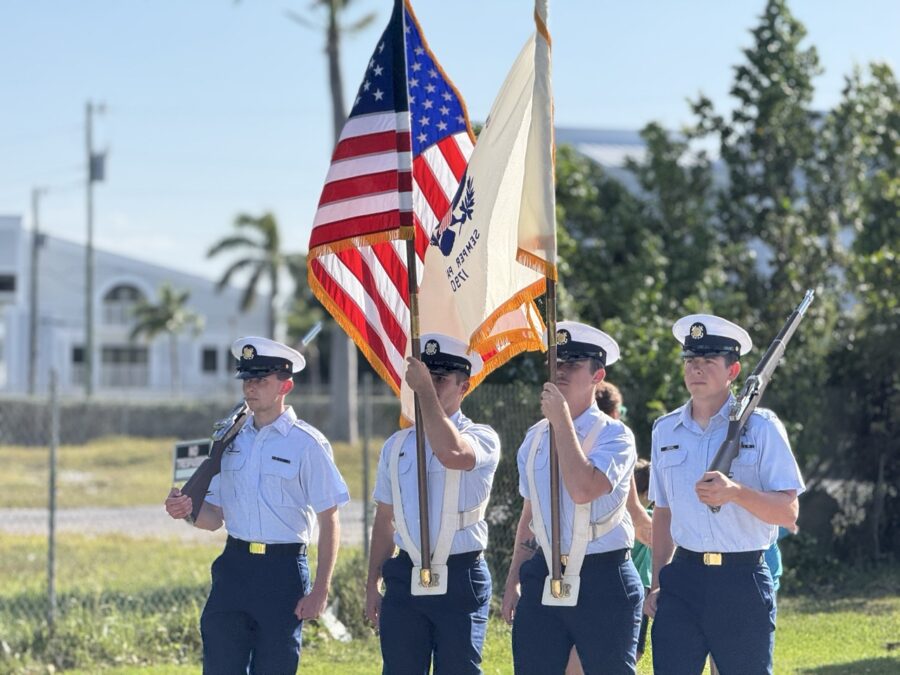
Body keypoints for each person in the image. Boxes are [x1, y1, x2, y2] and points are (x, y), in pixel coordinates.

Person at [165, 336, 349, 674]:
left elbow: (330, 519)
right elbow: (214, 517)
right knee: (220, 664)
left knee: (275, 666)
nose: (251, 388)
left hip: (282, 572)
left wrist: (321, 588)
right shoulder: (230, 441)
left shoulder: (307, 444)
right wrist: (187, 510)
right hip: (234, 567)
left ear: (285, 385)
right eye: (247, 379)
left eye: (261, 380)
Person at [645, 314, 805, 674]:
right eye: (690, 361)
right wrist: (658, 582)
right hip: (683, 577)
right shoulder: (665, 430)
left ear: (733, 371)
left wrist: (735, 493)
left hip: (741, 578)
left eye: (707, 361)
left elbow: (788, 512)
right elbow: (663, 512)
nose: (696, 369)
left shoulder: (761, 427)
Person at [503, 321, 643, 674]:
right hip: (545, 572)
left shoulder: (616, 435)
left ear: (598, 376)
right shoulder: (534, 438)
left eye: (574, 363)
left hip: (603, 577)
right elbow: (529, 516)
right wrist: (513, 580)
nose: (561, 370)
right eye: (557, 362)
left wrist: (562, 421)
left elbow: (583, 488)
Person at [365, 333, 500, 674]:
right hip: (405, 576)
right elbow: (385, 519)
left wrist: (424, 391)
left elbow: (453, 453)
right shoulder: (396, 445)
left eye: (441, 379)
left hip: (459, 575)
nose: (432, 385)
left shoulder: (481, 436)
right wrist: (372, 584)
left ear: (464, 388)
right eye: (428, 378)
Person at [565, 383, 652, 675]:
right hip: (608, 574)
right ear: (614, 413)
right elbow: (638, 518)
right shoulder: (615, 447)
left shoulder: (555, 443)